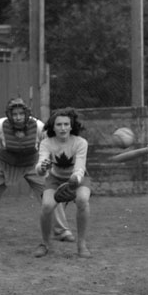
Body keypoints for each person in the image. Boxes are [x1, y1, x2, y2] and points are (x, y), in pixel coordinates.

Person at [0, 97, 73, 243]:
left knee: (50, 193)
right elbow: (0, 141)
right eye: (14, 114)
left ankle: (62, 231)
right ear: (9, 115)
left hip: (32, 163)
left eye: (21, 113)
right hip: (5, 163)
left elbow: (46, 144)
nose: (18, 117)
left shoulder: (39, 127)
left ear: (26, 114)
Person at [33, 107, 92, 259]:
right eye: (59, 124)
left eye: (66, 124)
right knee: (46, 206)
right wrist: (42, 167)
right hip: (55, 179)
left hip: (77, 178)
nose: (63, 128)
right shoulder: (46, 143)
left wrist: (74, 182)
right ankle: (45, 244)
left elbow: (80, 168)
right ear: (53, 127)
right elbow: (39, 169)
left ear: (71, 126)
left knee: (83, 200)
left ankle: (81, 244)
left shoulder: (80, 143)